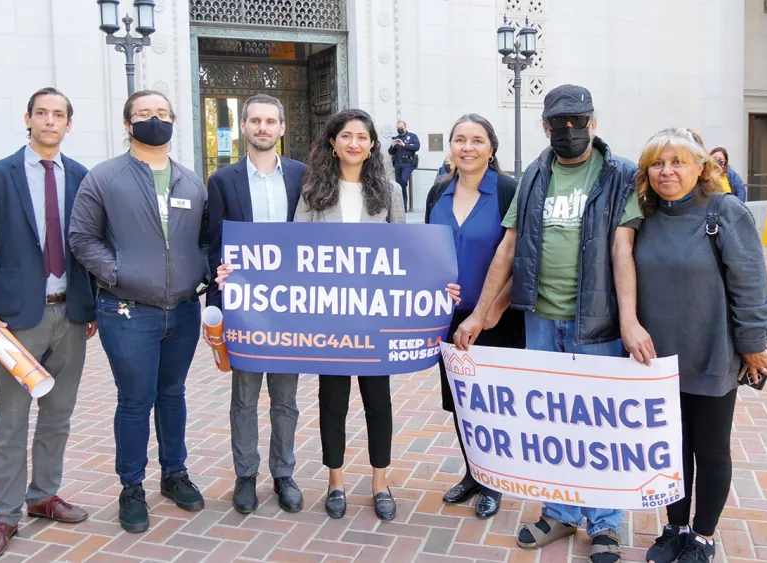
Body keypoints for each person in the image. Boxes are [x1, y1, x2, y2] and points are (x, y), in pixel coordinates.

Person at [216, 109, 458, 521]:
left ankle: (381, 483)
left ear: (372, 146)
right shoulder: (313, 190)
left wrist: (438, 284)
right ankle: (336, 482)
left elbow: (406, 255)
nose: (354, 144)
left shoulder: (389, 193)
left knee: (378, 403)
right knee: (333, 402)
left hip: (375, 322)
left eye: (362, 138)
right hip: (329, 322)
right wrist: (239, 273)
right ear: (333, 142)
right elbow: (291, 254)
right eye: (346, 136)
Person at [453, 84, 652, 563]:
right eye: (559, 123)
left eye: (577, 121)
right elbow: (508, 247)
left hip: (598, 322)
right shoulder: (535, 174)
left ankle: (604, 525)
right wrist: (481, 313)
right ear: (545, 126)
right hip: (541, 320)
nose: (569, 131)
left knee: (599, 425)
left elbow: (622, 250)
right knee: (555, 422)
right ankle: (560, 512)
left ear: (593, 123)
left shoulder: (619, 174)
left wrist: (630, 321)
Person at [0, 87, 96, 562]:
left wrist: (92, 306)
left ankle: (43, 496)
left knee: (58, 415)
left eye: (59, 114)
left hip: (71, 313)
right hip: (18, 320)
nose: (50, 121)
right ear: (29, 118)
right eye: (43, 113)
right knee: (11, 421)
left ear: (68, 124)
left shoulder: (80, 176)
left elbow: (86, 245)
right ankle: (3, 515)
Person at [633, 128, 767, 563]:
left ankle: (704, 536)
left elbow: (751, 283)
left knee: (710, 449)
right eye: (657, 163)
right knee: (671, 448)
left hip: (712, 350)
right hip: (658, 357)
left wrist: (753, 344)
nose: (667, 171)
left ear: (702, 167)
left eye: (678, 161)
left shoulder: (724, 210)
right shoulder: (645, 215)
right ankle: (674, 527)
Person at [69, 90, 210, 534]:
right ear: (128, 124)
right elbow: (82, 237)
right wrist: (118, 272)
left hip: (183, 311)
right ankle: (131, 486)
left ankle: (174, 474)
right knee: (135, 401)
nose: (156, 119)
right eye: (145, 114)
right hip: (127, 311)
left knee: (173, 395)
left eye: (163, 114)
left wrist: (200, 273)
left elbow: (205, 241)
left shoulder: (192, 182)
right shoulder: (105, 177)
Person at [205, 94, 307, 514]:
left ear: (282, 128)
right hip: (245, 307)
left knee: (286, 398)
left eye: (271, 121)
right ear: (244, 127)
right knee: (244, 399)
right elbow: (212, 244)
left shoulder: (302, 176)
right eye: (256, 121)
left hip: (289, 308)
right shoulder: (223, 181)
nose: (263, 128)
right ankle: (245, 474)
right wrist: (218, 283)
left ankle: (283, 473)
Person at [425, 114, 523, 520]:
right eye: (460, 140)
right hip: (449, 318)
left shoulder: (507, 191)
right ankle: (473, 472)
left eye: (477, 140)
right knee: (462, 402)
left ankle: (495, 482)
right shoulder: (436, 195)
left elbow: (522, 257)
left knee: (493, 403)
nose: (468, 147)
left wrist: (490, 312)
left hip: (497, 318)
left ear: (491, 148)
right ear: (451, 147)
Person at [388, 120, 420, 210]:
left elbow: (417, 147)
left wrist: (404, 144)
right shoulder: (396, 138)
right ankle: (403, 207)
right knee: (399, 185)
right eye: (398, 128)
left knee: (403, 181)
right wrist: (393, 145)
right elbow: (390, 152)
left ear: (405, 127)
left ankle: (404, 206)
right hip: (398, 164)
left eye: (401, 127)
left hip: (408, 164)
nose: (400, 129)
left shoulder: (412, 136)